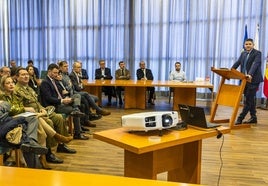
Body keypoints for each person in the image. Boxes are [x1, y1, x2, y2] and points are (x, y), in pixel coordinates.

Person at [0, 75, 73, 169]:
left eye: (11, 82)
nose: (11, 84)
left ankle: (37, 155)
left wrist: (40, 111)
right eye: (8, 83)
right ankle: (52, 141)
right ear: (3, 86)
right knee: (38, 127)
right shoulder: (2, 97)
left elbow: (33, 103)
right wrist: (25, 110)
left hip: (18, 120)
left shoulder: (15, 95)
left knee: (31, 134)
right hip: (9, 123)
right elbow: (11, 110)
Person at [14, 68, 75, 164]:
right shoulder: (16, 90)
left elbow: (36, 102)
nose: (26, 76)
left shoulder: (29, 88)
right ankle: (48, 153)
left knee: (58, 117)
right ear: (17, 77)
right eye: (22, 75)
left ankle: (61, 145)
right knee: (49, 122)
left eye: (27, 74)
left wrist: (42, 108)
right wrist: (38, 112)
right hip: (32, 116)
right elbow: (19, 107)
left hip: (40, 111)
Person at [40, 63, 89, 140]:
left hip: (61, 101)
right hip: (53, 106)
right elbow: (49, 98)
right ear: (49, 72)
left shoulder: (54, 80)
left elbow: (61, 91)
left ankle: (78, 129)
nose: (56, 74)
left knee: (77, 99)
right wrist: (62, 101)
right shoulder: (45, 83)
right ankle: (77, 133)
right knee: (74, 110)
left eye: (57, 73)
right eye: (54, 73)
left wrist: (65, 97)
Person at [0, 100, 48, 168]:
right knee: (26, 139)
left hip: (8, 126)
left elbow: (9, 114)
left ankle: (30, 141)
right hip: (3, 131)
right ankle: (36, 171)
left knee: (32, 120)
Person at [232, 38, 263, 124]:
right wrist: (230, 70)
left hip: (253, 80)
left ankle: (240, 118)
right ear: (244, 45)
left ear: (253, 45)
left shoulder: (257, 53)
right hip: (244, 80)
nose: (248, 45)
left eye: (250, 44)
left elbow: (255, 64)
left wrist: (250, 74)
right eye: (246, 44)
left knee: (248, 100)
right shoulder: (243, 54)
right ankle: (253, 118)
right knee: (249, 99)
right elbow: (237, 63)